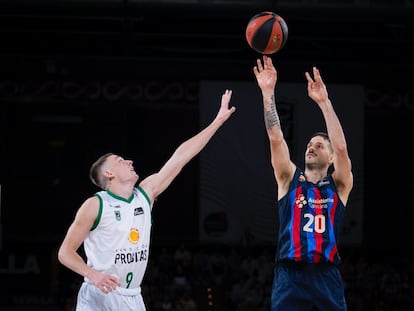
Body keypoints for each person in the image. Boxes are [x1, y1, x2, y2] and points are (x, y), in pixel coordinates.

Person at [57, 89, 236, 311]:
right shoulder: (96, 205)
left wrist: (217, 121)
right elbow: (65, 252)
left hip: (132, 296)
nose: (129, 161)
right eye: (121, 160)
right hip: (99, 294)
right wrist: (92, 275)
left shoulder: (145, 194)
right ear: (109, 175)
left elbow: (180, 157)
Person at [253, 55, 353, 311]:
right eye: (309, 144)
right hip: (290, 275)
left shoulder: (339, 185)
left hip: (326, 276)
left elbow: (341, 148)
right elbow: (275, 138)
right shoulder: (289, 179)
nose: (311, 147)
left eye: (319, 146)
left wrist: (324, 102)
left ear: (329, 158)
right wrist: (268, 92)